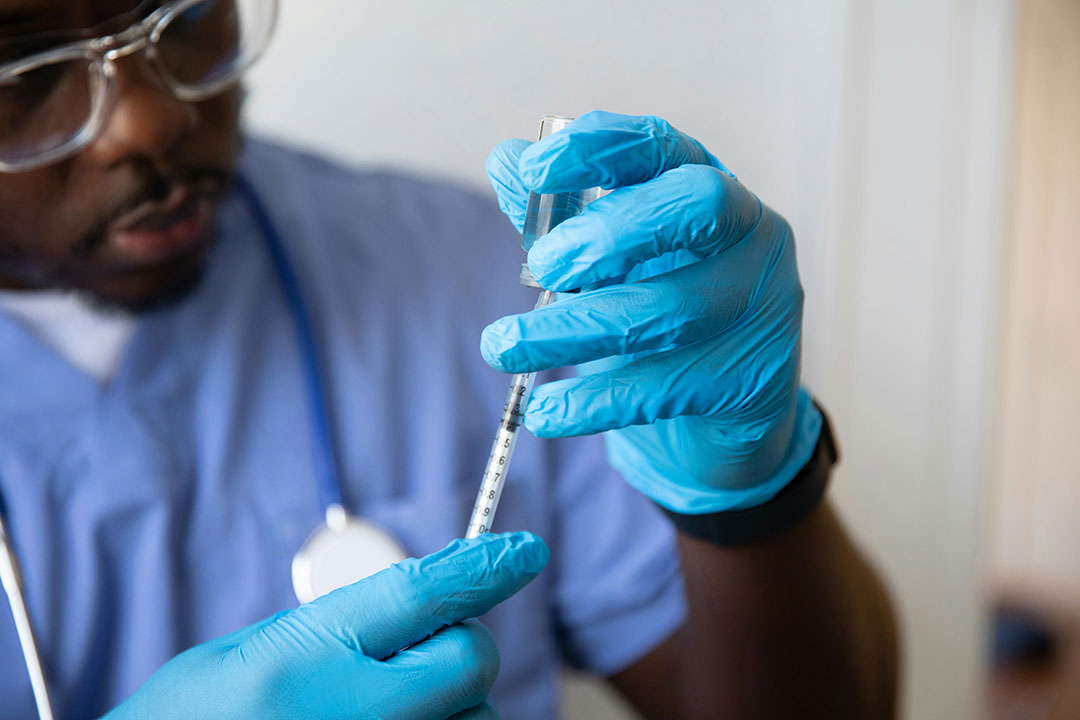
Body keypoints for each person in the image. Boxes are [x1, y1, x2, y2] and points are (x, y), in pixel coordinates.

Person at [0, 1, 898, 718]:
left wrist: (750, 496)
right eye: (27, 66)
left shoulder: (480, 281)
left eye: (187, 15)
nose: (149, 120)